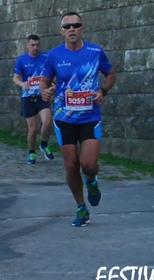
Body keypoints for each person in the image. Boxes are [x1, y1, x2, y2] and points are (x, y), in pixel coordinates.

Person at [40, 12, 115, 227]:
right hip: (64, 117)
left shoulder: (95, 52)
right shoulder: (54, 55)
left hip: (90, 116)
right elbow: (45, 81)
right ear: (62, 31)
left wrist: (103, 91)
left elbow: (110, 74)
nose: (72, 29)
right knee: (71, 164)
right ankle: (81, 207)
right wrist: (45, 91)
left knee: (88, 164)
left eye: (76, 25)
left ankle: (91, 179)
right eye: (67, 26)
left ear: (83, 28)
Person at [13, 34, 55, 164]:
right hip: (28, 97)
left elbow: (52, 74)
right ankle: (31, 152)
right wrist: (22, 84)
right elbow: (16, 78)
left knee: (47, 121)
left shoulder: (46, 57)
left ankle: (44, 144)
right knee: (33, 128)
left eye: (37, 45)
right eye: (32, 45)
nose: (35, 48)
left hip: (42, 95)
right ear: (27, 46)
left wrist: (53, 85)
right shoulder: (22, 60)